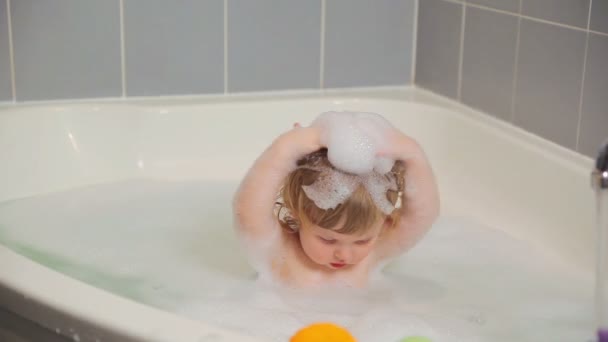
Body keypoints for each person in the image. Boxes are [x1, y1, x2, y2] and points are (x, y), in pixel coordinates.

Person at [233, 113, 439, 288]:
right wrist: (286, 147)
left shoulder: (373, 255)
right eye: (328, 240)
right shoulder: (282, 254)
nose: (344, 255)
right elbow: (248, 213)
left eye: (362, 240)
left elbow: (422, 217)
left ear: (385, 221)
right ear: (296, 211)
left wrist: (414, 155)